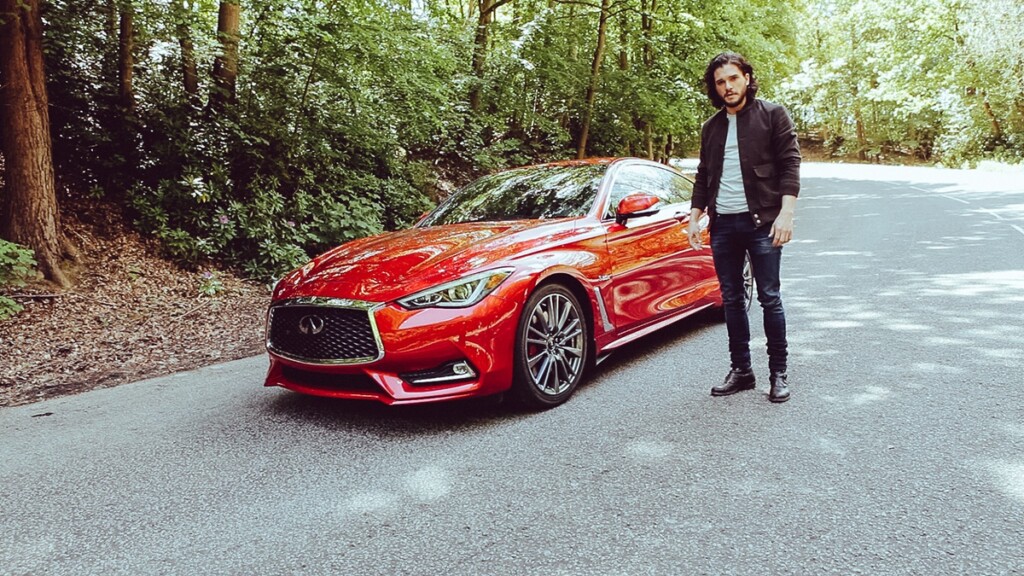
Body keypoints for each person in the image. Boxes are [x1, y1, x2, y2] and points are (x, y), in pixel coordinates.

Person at [687, 51, 801, 403]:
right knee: (732, 300)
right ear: (715, 88)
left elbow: (790, 164)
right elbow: (704, 175)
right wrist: (695, 217)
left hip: (763, 222)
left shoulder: (772, 115)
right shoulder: (711, 127)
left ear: (747, 78)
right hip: (723, 225)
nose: (728, 86)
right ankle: (742, 371)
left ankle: (778, 373)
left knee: (769, 298)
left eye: (733, 78)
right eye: (720, 82)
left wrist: (786, 214)